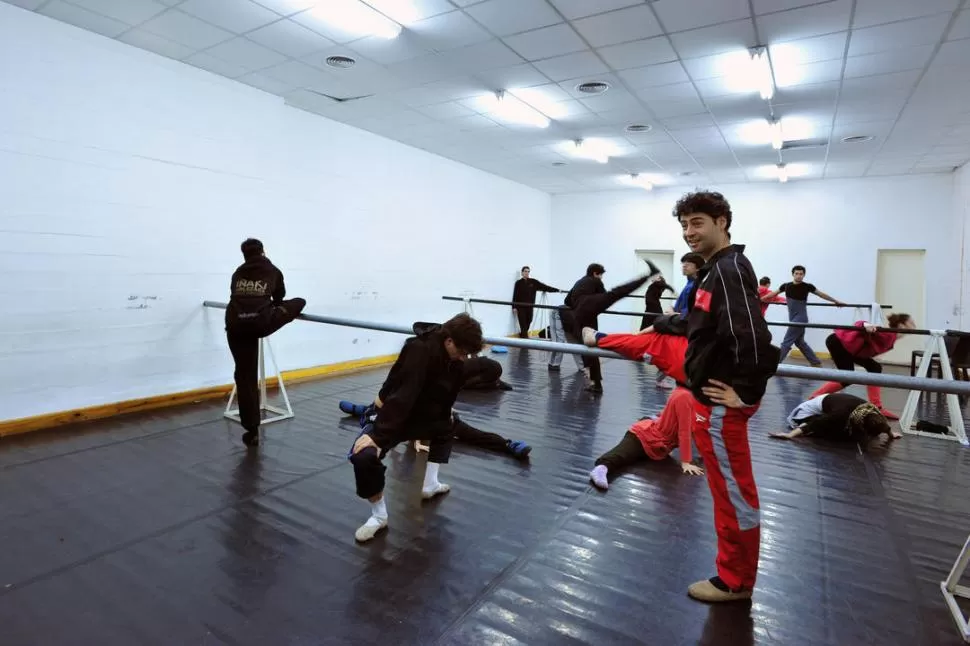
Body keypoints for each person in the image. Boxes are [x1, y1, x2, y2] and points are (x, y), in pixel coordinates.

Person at [673, 190, 780, 603]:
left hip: (722, 405)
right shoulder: (714, 270)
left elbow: (753, 337)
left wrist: (745, 393)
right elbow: (706, 328)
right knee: (726, 490)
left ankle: (735, 581)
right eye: (684, 224)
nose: (689, 232)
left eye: (696, 222)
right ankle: (733, 572)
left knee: (734, 494)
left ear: (722, 222)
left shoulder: (730, 268)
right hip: (712, 400)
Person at [347, 313, 484, 543]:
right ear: (449, 341)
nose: (463, 358)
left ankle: (430, 485)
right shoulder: (419, 349)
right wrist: (379, 436)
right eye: (461, 352)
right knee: (363, 456)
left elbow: (448, 389)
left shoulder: (454, 357)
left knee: (447, 426)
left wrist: (445, 411)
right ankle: (379, 516)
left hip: (425, 415)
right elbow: (403, 396)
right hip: (394, 413)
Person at [225, 238, 306, 447]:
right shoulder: (272, 270)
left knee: (244, 375)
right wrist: (270, 307)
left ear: (244, 255)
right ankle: (280, 312)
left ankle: (251, 431)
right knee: (299, 302)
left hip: (235, 325)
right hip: (260, 324)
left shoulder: (237, 272)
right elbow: (280, 296)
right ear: (263, 252)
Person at [564, 261, 660, 393]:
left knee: (587, 348)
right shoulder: (595, 280)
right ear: (596, 273)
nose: (601, 278)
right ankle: (648, 275)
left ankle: (595, 383)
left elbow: (567, 301)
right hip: (589, 306)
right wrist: (595, 303)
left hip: (578, 316)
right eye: (601, 275)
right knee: (618, 292)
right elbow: (605, 295)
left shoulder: (579, 282)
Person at [589, 387, 704, 489]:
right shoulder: (684, 396)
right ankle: (601, 468)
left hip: (660, 440)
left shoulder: (692, 399)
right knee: (623, 454)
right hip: (644, 435)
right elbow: (684, 431)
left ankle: (649, 419)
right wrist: (686, 462)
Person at [807, 314, 916, 420]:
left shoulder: (892, 337)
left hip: (852, 349)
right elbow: (860, 324)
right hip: (839, 343)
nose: (914, 325)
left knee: (874, 368)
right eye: (911, 323)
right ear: (901, 325)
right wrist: (866, 324)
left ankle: (876, 407)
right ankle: (814, 398)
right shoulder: (888, 334)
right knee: (847, 377)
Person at [761, 266, 845, 366]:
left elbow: (821, 294)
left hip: (801, 318)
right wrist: (759, 299)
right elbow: (773, 294)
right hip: (792, 318)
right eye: (796, 273)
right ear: (793, 274)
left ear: (804, 275)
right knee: (799, 342)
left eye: (801, 274)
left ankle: (775, 364)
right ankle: (816, 362)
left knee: (786, 341)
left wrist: (835, 301)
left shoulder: (807, 286)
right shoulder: (786, 286)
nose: (799, 276)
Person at [771, 392, 901, 445]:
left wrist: (890, 433)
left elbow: (882, 423)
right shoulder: (840, 415)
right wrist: (789, 435)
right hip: (801, 416)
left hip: (828, 406)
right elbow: (813, 424)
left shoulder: (870, 410)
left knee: (856, 435)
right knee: (843, 435)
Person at [511, 266, 560, 338]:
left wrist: (557, 290)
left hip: (530, 307)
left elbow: (545, 287)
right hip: (520, 306)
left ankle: (523, 335)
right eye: (525, 271)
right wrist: (514, 307)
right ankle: (525, 340)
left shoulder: (533, 282)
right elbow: (515, 295)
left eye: (528, 271)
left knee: (529, 321)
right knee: (523, 323)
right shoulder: (518, 283)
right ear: (522, 273)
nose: (527, 273)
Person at [673, 253, 705, 318]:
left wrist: (673, 314)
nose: (684, 266)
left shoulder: (696, 286)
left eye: (688, 264)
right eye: (683, 263)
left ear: (698, 268)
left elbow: (691, 313)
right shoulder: (689, 283)